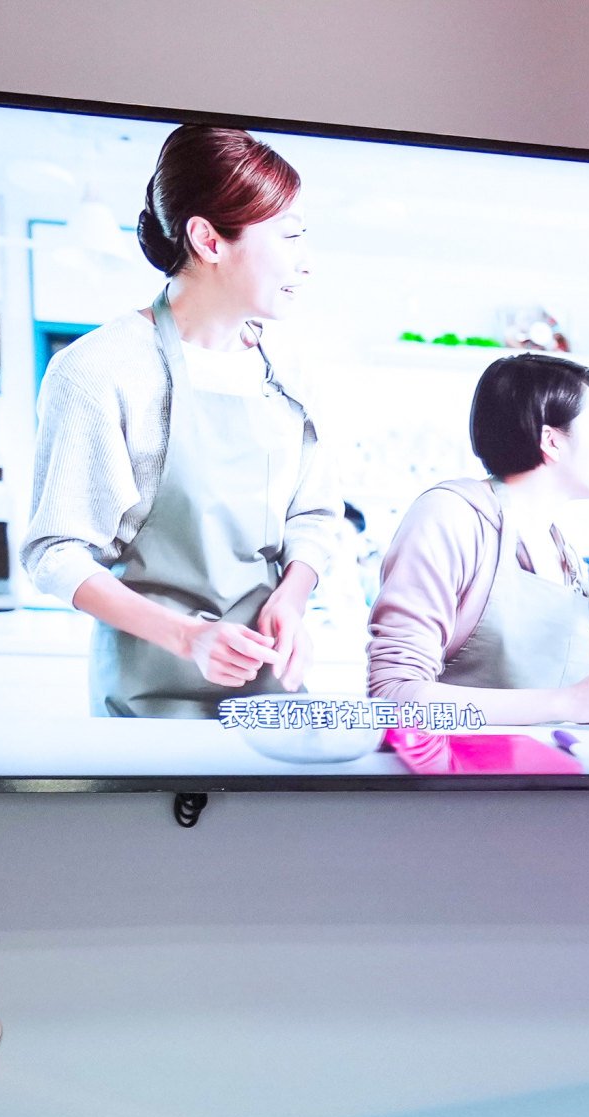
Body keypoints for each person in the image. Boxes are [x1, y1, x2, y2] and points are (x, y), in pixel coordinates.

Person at [23, 123, 348, 718]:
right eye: (290, 236)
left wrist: (294, 596)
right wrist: (186, 637)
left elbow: (315, 516)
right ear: (209, 239)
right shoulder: (98, 370)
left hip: (270, 692)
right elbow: (57, 552)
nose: (306, 264)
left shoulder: (293, 374)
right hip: (148, 698)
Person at [365, 353, 589, 728]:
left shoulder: (561, 550)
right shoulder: (451, 515)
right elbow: (393, 695)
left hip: (549, 779)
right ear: (551, 441)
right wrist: (567, 704)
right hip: (464, 781)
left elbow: (570, 703)